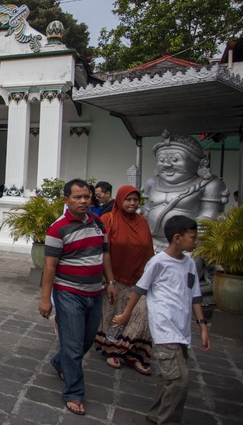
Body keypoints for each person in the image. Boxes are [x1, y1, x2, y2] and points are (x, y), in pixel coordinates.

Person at [113, 215, 211, 425]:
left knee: (170, 377)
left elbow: (194, 295)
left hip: (182, 329)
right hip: (164, 327)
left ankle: (156, 414)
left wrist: (202, 325)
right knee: (179, 381)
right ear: (178, 238)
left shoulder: (190, 264)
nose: (195, 242)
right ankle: (167, 421)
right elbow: (140, 288)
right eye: (192, 237)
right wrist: (126, 314)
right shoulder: (158, 262)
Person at [39, 178, 117, 416]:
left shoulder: (97, 223)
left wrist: (111, 281)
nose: (83, 201)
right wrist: (45, 299)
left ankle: (59, 362)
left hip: (95, 292)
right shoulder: (57, 228)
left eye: (87, 197)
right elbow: (50, 266)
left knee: (86, 340)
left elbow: (104, 253)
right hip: (69, 293)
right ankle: (74, 392)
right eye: (77, 197)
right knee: (73, 346)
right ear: (66, 200)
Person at [94, 185, 154, 375]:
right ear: (120, 200)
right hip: (114, 278)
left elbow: (149, 250)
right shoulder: (108, 220)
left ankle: (131, 351)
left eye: (135, 200)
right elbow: (100, 252)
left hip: (138, 280)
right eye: (128, 199)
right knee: (114, 316)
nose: (132, 203)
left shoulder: (142, 222)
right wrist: (106, 278)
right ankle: (111, 349)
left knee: (141, 315)